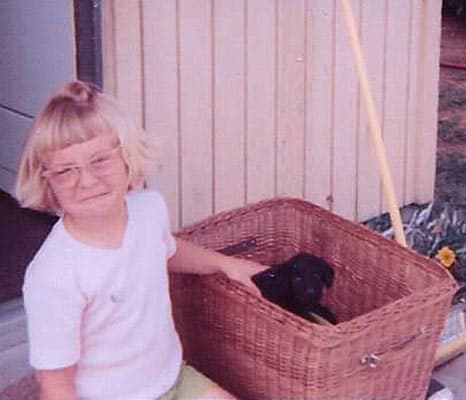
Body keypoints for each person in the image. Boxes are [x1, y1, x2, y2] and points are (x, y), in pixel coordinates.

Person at [15, 80, 266, 400]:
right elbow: (55, 386)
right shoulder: (52, 276)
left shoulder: (149, 209)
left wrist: (226, 264)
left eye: (100, 160)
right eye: (66, 170)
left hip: (173, 380)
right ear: (46, 180)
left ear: (126, 156)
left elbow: (165, 250)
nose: (88, 180)